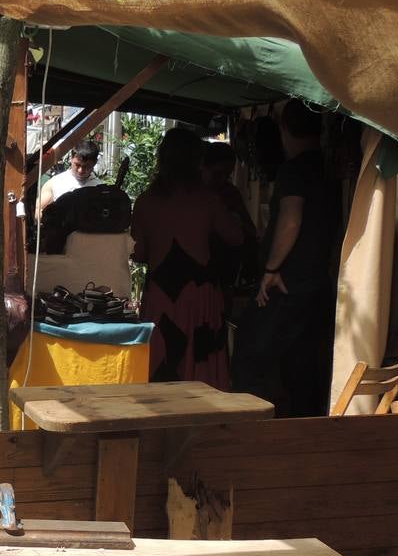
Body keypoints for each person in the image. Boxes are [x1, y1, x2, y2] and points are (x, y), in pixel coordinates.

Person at [232, 99, 338, 416]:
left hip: (286, 283)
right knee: (303, 367)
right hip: (317, 282)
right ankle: (299, 430)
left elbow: (291, 219)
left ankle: (249, 430)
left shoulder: (294, 170)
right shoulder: (328, 169)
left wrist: (272, 268)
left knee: (250, 359)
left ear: (285, 128)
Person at [131, 127, 241, 388]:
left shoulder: (146, 201)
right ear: (196, 160)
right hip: (200, 294)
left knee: (162, 364)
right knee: (201, 367)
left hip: (161, 294)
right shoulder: (209, 200)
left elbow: (138, 253)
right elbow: (237, 238)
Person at [202, 141, 258, 290]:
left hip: (224, 275)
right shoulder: (194, 194)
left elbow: (250, 230)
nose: (222, 180)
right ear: (203, 168)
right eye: (217, 174)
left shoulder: (230, 193)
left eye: (227, 175)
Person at [37, 139, 102, 216]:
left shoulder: (100, 188)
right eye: (77, 165)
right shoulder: (55, 183)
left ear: (94, 164)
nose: (80, 170)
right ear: (71, 159)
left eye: (86, 166)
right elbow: (37, 211)